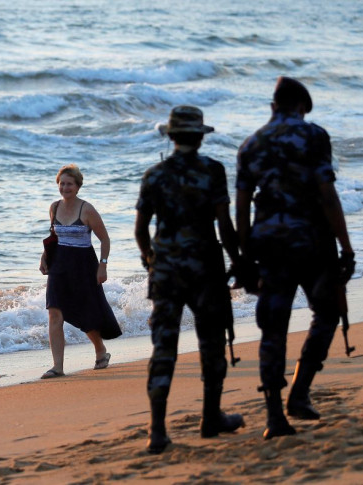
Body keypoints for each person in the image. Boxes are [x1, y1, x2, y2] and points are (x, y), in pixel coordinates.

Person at [236, 77, 355, 440]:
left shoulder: (250, 144)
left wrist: (244, 255)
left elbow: (241, 208)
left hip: (268, 245)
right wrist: (346, 246)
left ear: (273, 105)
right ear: (300, 106)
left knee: (273, 327)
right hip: (312, 242)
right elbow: (328, 193)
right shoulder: (314, 135)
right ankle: (300, 392)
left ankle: (275, 417)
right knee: (328, 313)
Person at [135, 106, 244, 454]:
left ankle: (157, 430)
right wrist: (239, 261)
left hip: (166, 271)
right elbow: (224, 225)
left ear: (170, 136)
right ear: (200, 137)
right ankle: (211, 417)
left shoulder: (154, 175)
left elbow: (140, 230)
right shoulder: (213, 171)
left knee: (163, 347)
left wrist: (150, 260)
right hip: (205, 269)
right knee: (211, 342)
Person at [39, 164, 122, 379]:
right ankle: (57, 366)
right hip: (58, 265)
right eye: (62, 183)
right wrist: (44, 256)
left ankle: (100, 350)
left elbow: (104, 239)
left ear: (77, 186)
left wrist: (102, 265)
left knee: (85, 312)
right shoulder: (54, 207)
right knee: (54, 312)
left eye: (69, 184)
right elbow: (53, 236)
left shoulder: (87, 209)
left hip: (83, 265)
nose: (65, 187)